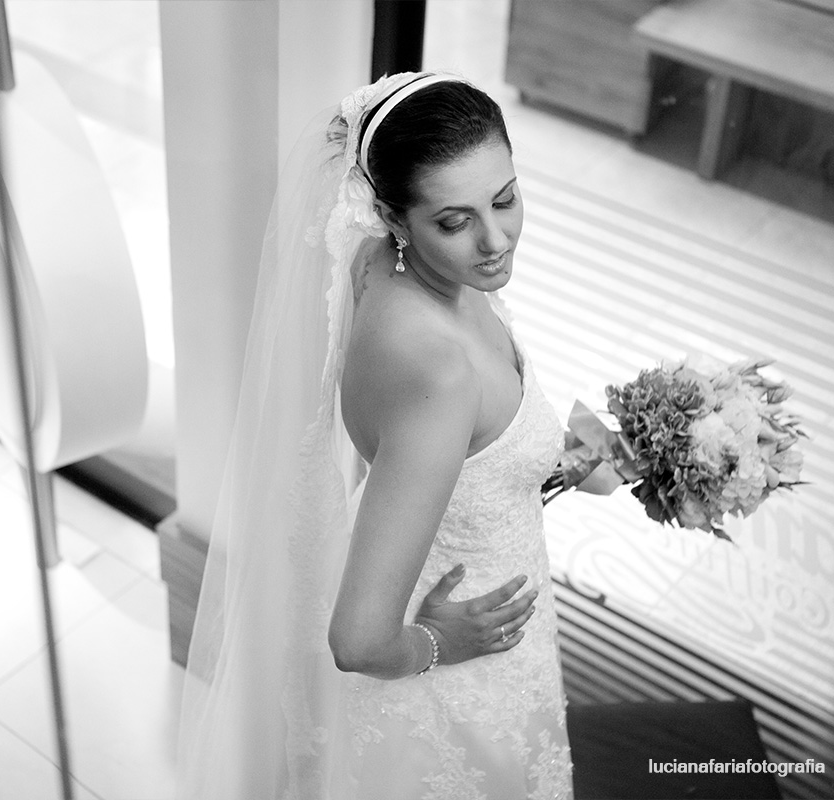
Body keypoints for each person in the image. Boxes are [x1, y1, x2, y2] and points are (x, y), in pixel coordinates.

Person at [176, 72, 574, 800]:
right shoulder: (440, 372)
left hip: (445, 574)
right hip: (466, 669)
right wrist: (438, 643)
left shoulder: (377, 265)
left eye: (505, 199)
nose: (495, 241)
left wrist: (540, 457)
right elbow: (359, 640)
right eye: (453, 221)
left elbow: (445, 458)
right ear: (392, 216)